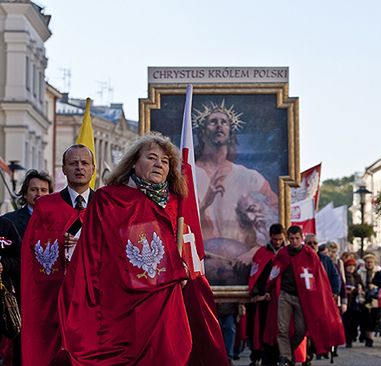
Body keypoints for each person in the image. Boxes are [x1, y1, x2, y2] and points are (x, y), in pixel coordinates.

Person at [58, 133, 227, 365]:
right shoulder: (109, 199)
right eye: (152, 157)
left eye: (165, 161)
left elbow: (189, 251)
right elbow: (95, 251)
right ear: (134, 163)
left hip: (169, 302)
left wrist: (183, 267)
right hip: (124, 306)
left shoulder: (177, 205)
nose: (159, 163)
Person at [20, 145, 95, 366]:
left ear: (93, 169)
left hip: (93, 298)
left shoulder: (105, 205)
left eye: (84, 163)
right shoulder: (46, 206)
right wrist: (58, 243)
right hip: (54, 296)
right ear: (64, 169)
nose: (79, 167)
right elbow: (32, 251)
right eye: (73, 163)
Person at [193, 101, 278, 284]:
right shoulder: (186, 175)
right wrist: (204, 204)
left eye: (224, 122)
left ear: (231, 131)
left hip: (240, 270)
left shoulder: (250, 178)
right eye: (213, 121)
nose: (219, 125)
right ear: (202, 131)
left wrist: (254, 252)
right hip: (199, 270)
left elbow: (273, 224)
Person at [264, 226, 345, 366]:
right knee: (282, 328)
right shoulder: (283, 253)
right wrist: (268, 288)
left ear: (301, 238)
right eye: (291, 239)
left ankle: (287, 351)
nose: (294, 241)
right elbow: (275, 272)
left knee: (301, 329)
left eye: (297, 238)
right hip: (285, 294)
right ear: (288, 239)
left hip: (303, 297)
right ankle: (285, 357)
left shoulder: (310, 254)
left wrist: (322, 296)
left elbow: (319, 277)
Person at [0, 170, 53, 365]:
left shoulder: (59, 219)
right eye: (34, 189)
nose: (39, 194)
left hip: (49, 291)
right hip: (18, 292)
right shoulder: (9, 221)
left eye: (43, 190)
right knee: (22, 343)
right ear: (25, 193)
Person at [247, 223, 285, 366]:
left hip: (282, 299)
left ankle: (282, 356)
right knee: (263, 329)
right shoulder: (262, 253)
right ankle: (264, 357)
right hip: (265, 300)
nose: (278, 242)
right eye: (275, 239)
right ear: (270, 237)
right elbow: (255, 275)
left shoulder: (287, 253)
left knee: (281, 328)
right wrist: (260, 295)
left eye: (280, 239)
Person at [342, 257, 365, 348]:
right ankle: (348, 340)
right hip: (346, 301)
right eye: (349, 266)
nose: (351, 268)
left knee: (354, 322)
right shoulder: (343, 276)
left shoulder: (357, 276)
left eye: (353, 266)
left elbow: (361, 286)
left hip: (355, 302)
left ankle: (352, 337)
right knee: (347, 322)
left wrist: (358, 289)